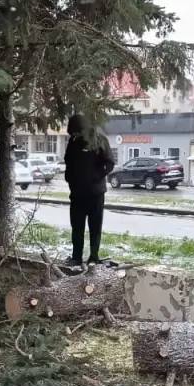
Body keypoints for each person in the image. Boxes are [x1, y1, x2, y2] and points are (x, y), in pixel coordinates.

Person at [63, 113, 115, 269]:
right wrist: (69, 178)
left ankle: (94, 257)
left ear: (83, 129)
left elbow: (110, 163)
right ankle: (76, 257)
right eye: (73, 133)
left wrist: (96, 176)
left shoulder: (99, 140)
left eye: (77, 132)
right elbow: (68, 161)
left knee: (95, 227)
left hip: (95, 193)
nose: (75, 135)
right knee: (77, 227)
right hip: (77, 194)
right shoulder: (73, 142)